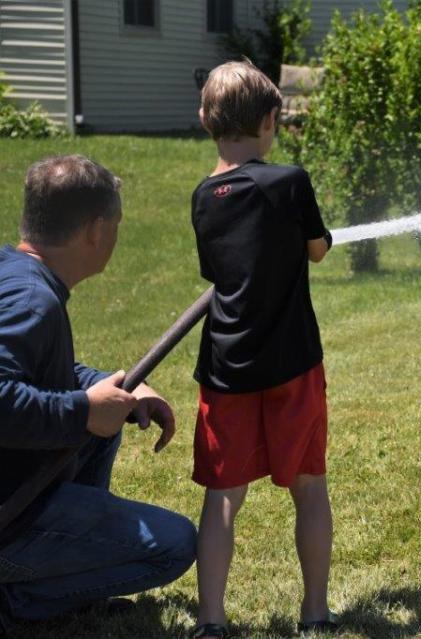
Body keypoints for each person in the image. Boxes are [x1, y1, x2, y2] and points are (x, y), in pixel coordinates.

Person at [0, 155, 197, 634]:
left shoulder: (14, 274)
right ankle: (20, 597)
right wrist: (83, 410)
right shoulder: (32, 301)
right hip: (9, 517)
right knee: (174, 543)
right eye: (117, 225)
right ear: (95, 230)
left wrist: (101, 386)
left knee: (104, 429)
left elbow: (40, 373)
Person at [190, 60, 336, 639]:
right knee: (309, 488)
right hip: (293, 363)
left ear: (206, 120)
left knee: (222, 496)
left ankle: (211, 620)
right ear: (272, 120)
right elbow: (317, 250)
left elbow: (218, 271)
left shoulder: (204, 197)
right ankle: (316, 613)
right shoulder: (289, 181)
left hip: (227, 366)